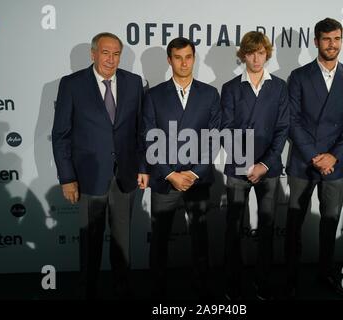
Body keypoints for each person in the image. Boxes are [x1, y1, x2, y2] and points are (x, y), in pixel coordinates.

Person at [52, 32, 149, 299]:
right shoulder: (72, 84)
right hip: (88, 177)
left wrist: (143, 167)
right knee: (90, 242)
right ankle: (88, 290)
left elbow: (141, 131)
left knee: (122, 241)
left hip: (125, 176)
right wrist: (67, 177)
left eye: (116, 53)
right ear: (93, 54)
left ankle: (122, 288)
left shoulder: (133, 82)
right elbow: (61, 135)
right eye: (105, 52)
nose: (111, 59)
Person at [284, 18, 343, 298]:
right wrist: (314, 156)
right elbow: (292, 121)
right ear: (316, 41)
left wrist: (333, 156)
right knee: (293, 225)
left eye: (337, 38)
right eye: (327, 39)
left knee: (330, 224)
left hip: (336, 165)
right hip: (303, 163)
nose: (333, 44)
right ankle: (290, 278)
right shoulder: (299, 76)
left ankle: (325, 273)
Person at [142, 37, 221, 298]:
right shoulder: (153, 95)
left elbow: (215, 136)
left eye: (188, 56)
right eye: (178, 57)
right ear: (169, 60)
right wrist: (169, 173)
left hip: (197, 178)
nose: (184, 62)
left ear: (194, 58)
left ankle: (202, 289)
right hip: (165, 178)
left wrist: (195, 172)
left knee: (200, 238)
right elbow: (148, 136)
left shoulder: (210, 94)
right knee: (160, 239)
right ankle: (157, 290)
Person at [220, 31, 289, 300]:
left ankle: (262, 283)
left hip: (269, 169)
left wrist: (264, 164)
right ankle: (232, 284)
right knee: (233, 228)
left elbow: (283, 129)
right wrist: (246, 163)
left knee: (267, 228)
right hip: (238, 168)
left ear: (267, 54)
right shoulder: (230, 87)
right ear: (243, 55)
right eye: (251, 52)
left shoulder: (280, 87)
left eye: (261, 52)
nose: (256, 58)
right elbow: (225, 129)